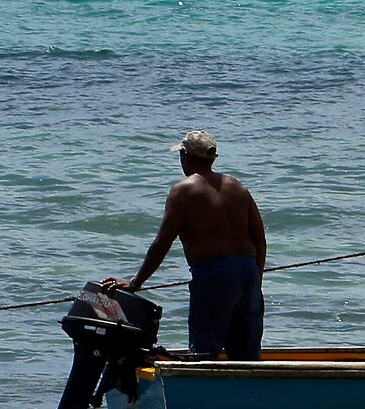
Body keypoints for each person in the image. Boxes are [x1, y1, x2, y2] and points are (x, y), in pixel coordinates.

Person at [104, 130, 268, 360]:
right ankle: (249, 394)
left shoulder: (184, 189)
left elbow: (163, 241)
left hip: (214, 273)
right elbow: (259, 239)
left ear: (185, 156)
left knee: (204, 351)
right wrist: (255, 277)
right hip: (248, 271)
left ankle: (201, 393)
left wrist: (136, 283)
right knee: (247, 353)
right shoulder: (237, 187)